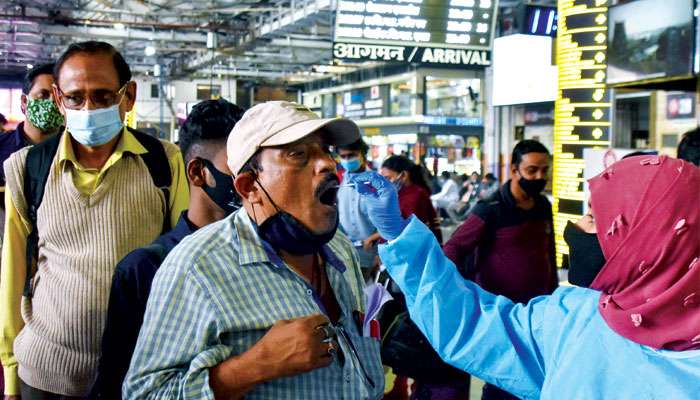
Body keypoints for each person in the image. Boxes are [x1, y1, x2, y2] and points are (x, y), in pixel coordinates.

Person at [348, 154, 700, 400]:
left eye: (594, 219)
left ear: (648, 242)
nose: (575, 230)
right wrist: (400, 237)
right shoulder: (573, 319)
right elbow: (471, 325)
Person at [123, 101, 384, 399]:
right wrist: (254, 366)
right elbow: (144, 393)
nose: (328, 164)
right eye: (298, 154)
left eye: (326, 151)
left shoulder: (338, 247)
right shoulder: (197, 268)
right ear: (249, 186)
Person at [0, 41, 188, 399]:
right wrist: (10, 372)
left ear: (128, 96)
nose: (88, 108)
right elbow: (12, 275)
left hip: (137, 370)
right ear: (58, 98)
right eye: (75, 98)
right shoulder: (27, 168)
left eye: (103, 97)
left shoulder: (163, 162)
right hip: (45, 373)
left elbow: (182, 261)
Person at [90, 99, 243, 399]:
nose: (250, 179)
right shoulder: (145, 269)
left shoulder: (269, 255)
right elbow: (120, 380)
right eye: (238, 167)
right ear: (198, 173)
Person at [442, 140, 556, 399]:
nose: (539, 177)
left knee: (535, 378)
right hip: (500, 314)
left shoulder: (543, 205)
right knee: (502, 380)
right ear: (514, 170)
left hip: (538, 311)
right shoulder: (490, 209)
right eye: (532, 170)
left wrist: (553, 296)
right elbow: (454, 248)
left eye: (544, 170)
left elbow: (548, 250)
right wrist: (450, 292)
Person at [0, 63, 63, 235]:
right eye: (43, 95)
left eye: (59, 96)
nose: (51, 103)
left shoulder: (78, 152)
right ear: (24, 101)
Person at [336, 138, 379, 278]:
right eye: (343, 156)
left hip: (372, 254)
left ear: (362, 154)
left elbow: (391, 220)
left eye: (352, 155)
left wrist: (380, 254)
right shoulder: (340, 184)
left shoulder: (378, 183)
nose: (347, 160)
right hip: (346, 254)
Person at [379, 155, 441, 243]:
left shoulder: (416, 195)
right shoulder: (398, 193)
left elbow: (404, 229)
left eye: (388, 178)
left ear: (404, 175)